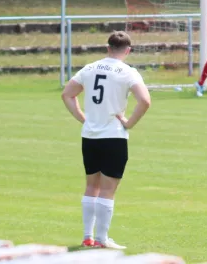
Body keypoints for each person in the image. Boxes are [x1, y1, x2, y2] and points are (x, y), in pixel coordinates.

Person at [61, 31, 151, 249]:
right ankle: (102, 238)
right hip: (113, 136)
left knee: (91, 185)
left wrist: (83, 118)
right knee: (108, 189)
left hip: (90, 136)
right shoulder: (128, 72)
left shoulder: (90, 68)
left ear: (108, 47)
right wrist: (129, 123)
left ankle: (87, 236)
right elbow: (145, 101)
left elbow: (67, 94)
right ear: (127, 50)